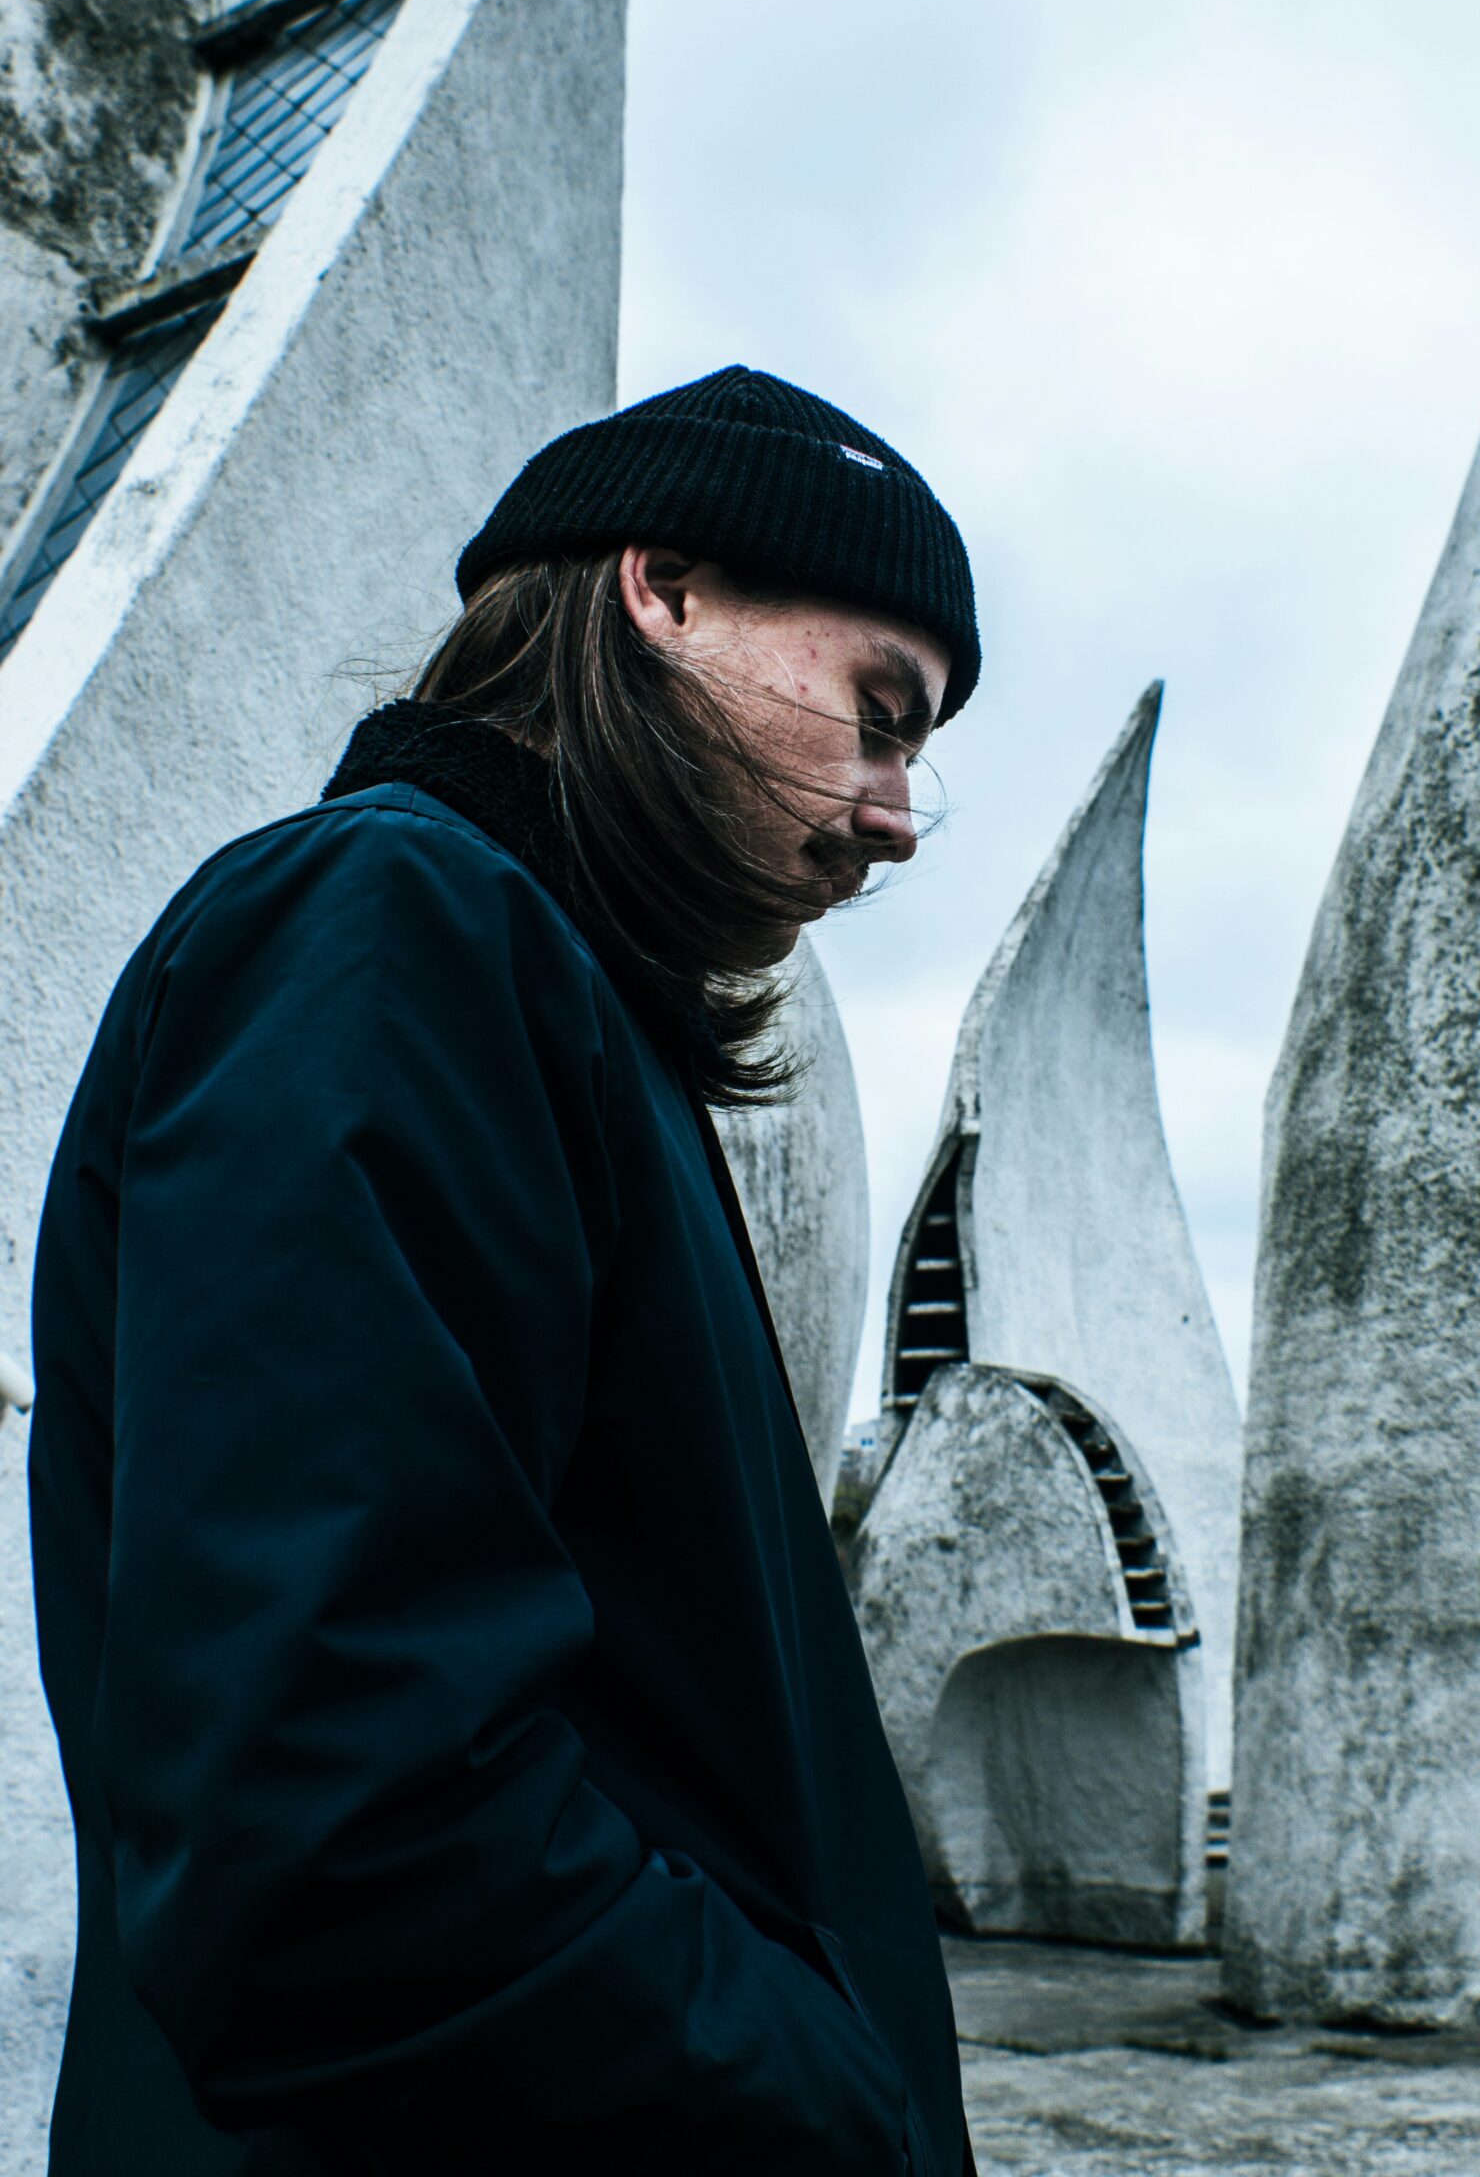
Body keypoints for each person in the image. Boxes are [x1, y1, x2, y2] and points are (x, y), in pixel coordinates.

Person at [28, 367, 981, 2174]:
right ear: (663, 587)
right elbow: (343, 1819)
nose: (895, 816)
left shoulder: (528, 990)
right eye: (878, 713)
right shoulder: (396, 926)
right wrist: (827, 2106)